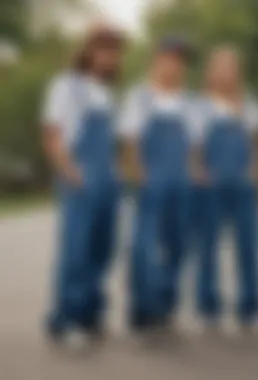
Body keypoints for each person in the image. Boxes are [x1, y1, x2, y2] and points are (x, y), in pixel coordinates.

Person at [42, 24, 125, 348]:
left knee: (102, 249)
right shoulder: (67, 86)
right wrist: (70, 170)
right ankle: (66, 320)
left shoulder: (105, 92)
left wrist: (116, 171)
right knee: (76, 250)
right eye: (102, 47)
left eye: (113, 49)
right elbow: (52, 134)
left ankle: (90, 315)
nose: (107, 54)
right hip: (80, 174)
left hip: (107, 178)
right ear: (87, 49)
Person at [118, 36, 196, 333]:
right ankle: (142, 312)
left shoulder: (189, 101)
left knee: (177, 247)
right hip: (150, 181)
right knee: (143, 247)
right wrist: (139, 176)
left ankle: (165, 307)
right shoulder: (140, 96)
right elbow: (130, 141)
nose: (174, 65)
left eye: (180, 61)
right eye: (170, 58)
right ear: (157, 59)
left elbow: (193, 147)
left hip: (181, 183)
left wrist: (192, 175)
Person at [192, 46, 258, 332]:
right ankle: (208, 307)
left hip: (243, 186)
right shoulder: (201, 105)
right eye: (220, 66)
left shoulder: (249, 104)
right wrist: (199, 171)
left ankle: (250, 309)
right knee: (208, 247)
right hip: (211, 185)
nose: (225, 72)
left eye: (231, 66)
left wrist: (256, 169)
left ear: (238, 72)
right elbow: (195, 147)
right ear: (210, 72)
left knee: (248, 246)